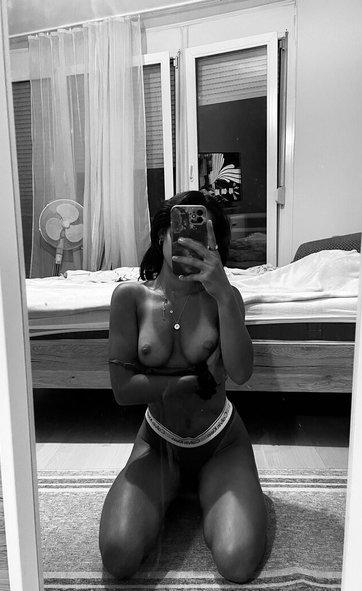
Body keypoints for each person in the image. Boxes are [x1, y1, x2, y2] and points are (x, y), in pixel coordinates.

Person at [99, 190, 267, 583]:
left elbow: (241, 372)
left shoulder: (224, 298)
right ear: (162, 235)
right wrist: (196, 379)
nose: (191, 244)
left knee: (238, 563)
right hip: (159, 442)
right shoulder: (130, 298)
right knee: (119, 555)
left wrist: (224, 294)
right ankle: (175, 493)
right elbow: (123, 390)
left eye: (204, 237)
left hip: (221, 443)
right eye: (181, 232)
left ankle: (201, 493)